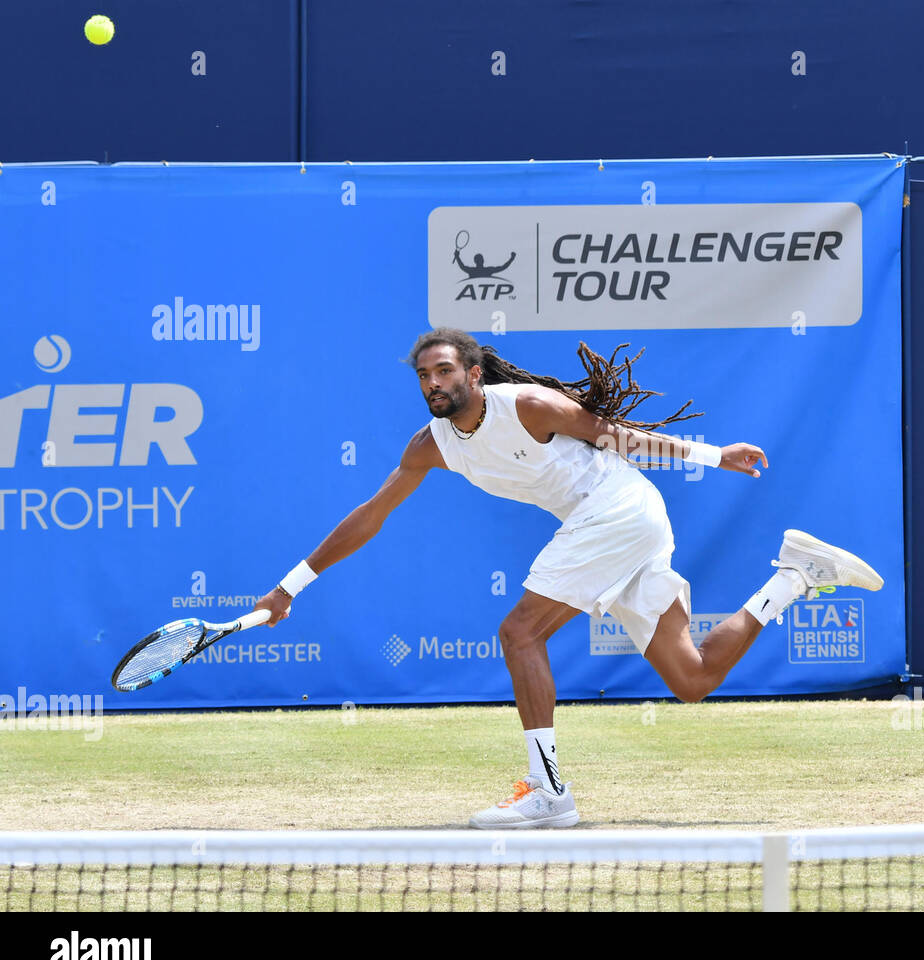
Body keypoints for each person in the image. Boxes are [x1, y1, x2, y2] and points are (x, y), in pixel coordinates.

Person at [254, 328, 883, 829]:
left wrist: (714, 455)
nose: (433, 383)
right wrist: (290, 586)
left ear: (474, 374)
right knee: (692, 678)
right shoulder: (431, 445)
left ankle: (549, 791)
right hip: (620, 529)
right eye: (424, 375)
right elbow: (372, 515)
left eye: (444, 370)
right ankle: (796, 577)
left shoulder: (527, 405)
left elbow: (621, 440)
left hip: (618, 510)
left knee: (519, 632)